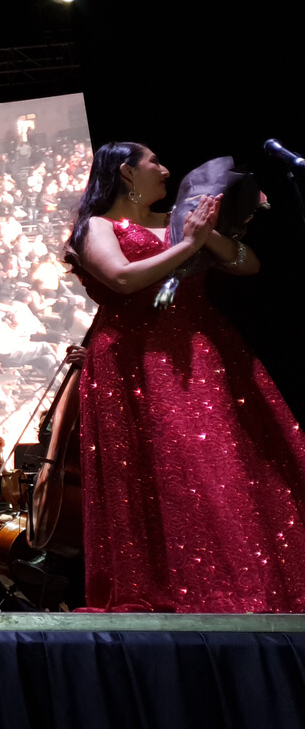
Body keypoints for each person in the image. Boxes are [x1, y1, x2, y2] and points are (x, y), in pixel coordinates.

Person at [65, 141, 305, 612]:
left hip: (202, 352)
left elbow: (247, 263)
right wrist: (190, 244)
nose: (166, 169)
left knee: (223, 466)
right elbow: (122, 279)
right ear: (127, 173)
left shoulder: (178, 220)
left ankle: (250, 585)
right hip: (134, 359)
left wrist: (204, 236)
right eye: (154, 162)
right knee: (168, 472)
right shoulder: (98, 226)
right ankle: (182, 591)